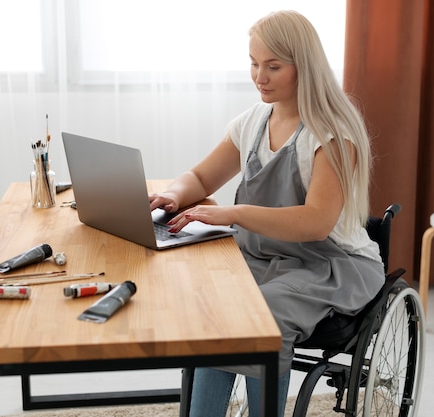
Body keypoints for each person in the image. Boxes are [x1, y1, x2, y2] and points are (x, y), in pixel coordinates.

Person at [148, 10, 385, 417]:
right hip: (265, 255)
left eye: (273, 66)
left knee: (261, 316)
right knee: (216, 303)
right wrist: (171, 195)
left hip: (332, 264)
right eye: (254, 63)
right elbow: (201, 177)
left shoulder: (330, 133)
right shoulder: (254, 122)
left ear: (303, 68)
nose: (260, 76)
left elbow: (316, 222)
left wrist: (234, 214)